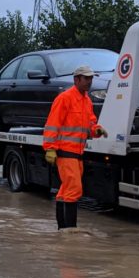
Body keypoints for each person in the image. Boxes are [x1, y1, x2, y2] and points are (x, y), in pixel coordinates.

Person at [43, 65, 108, 229]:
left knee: (66, 191)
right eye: (86, 78)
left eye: (91, 78)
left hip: (77, 153)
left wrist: (96, 130)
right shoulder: (64, 98)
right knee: (74, 190)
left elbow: (90, 124)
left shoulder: (87, 100)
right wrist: (50, 148)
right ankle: (70, 232)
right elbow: (52, 125)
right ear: (76, 79)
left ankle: (63, 230)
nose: (90, 81)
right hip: (66, 153)